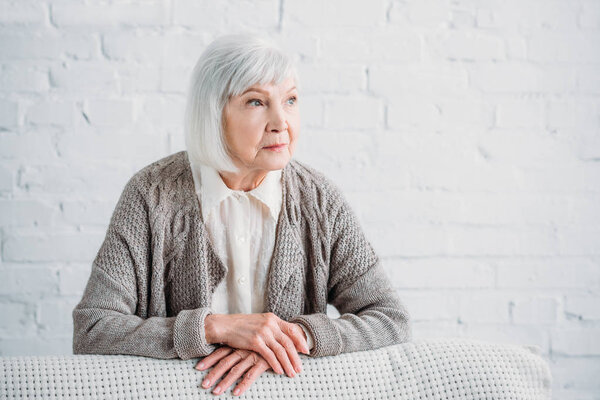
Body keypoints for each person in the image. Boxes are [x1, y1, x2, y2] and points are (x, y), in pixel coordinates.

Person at [72, 33, 412, 397]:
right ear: (214, 113)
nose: (281, 122)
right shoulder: (150, 196)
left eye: (290, 100)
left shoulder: (320, 200)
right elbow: (92, 328)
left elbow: (390, 319)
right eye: (256, 102)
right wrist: (212, 328)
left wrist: (294, 337)